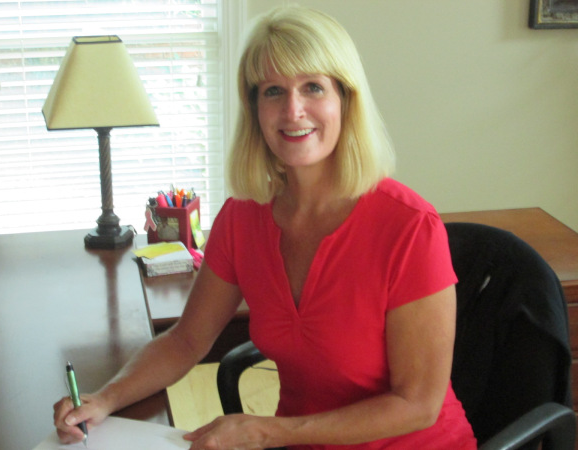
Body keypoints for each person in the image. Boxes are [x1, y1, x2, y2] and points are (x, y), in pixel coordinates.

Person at [53, 6, 477, 449]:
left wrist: (264, 430)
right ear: (254, 108)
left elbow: (417, 404)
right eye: (274, 91)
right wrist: (104, 399)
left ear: (345, 100)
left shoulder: (409, 227)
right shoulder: (242, 218)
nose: (293, 111)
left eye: (313, 87)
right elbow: (186, 341)